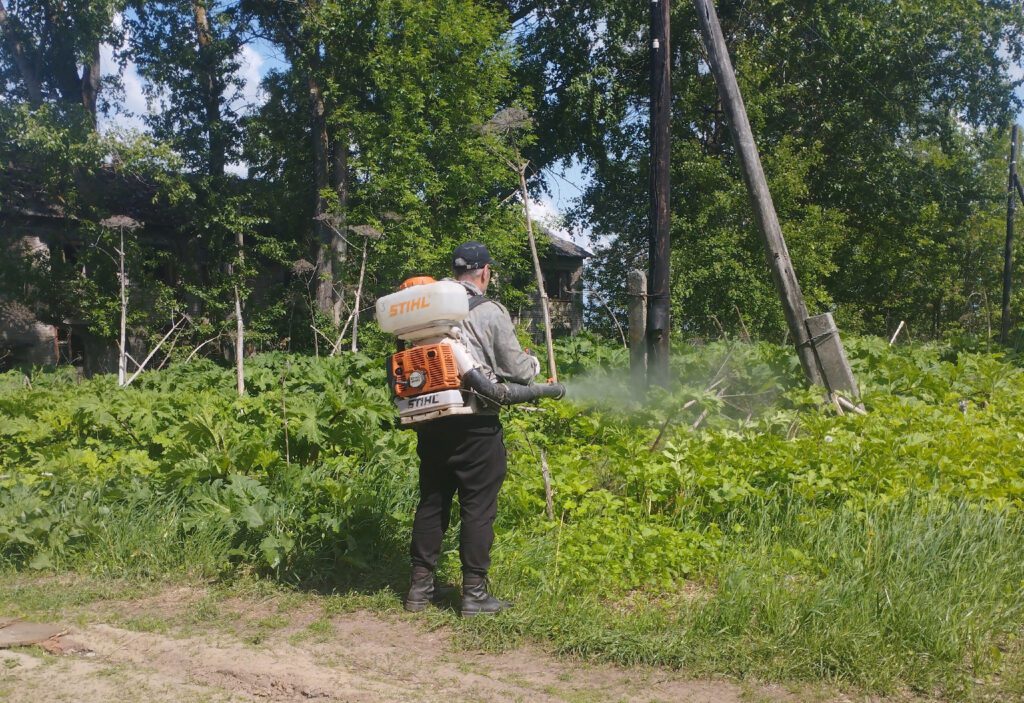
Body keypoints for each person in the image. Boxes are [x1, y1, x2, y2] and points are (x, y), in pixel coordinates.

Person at [404, 241, 540, 616]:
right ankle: (475, 595)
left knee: (432, 501)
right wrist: (535, 365)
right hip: (475, 422)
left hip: (430, 419)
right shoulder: (489, 310)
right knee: (478, 506)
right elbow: (516, 369)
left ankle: (420, 588)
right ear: (484, 272)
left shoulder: (424, 309)